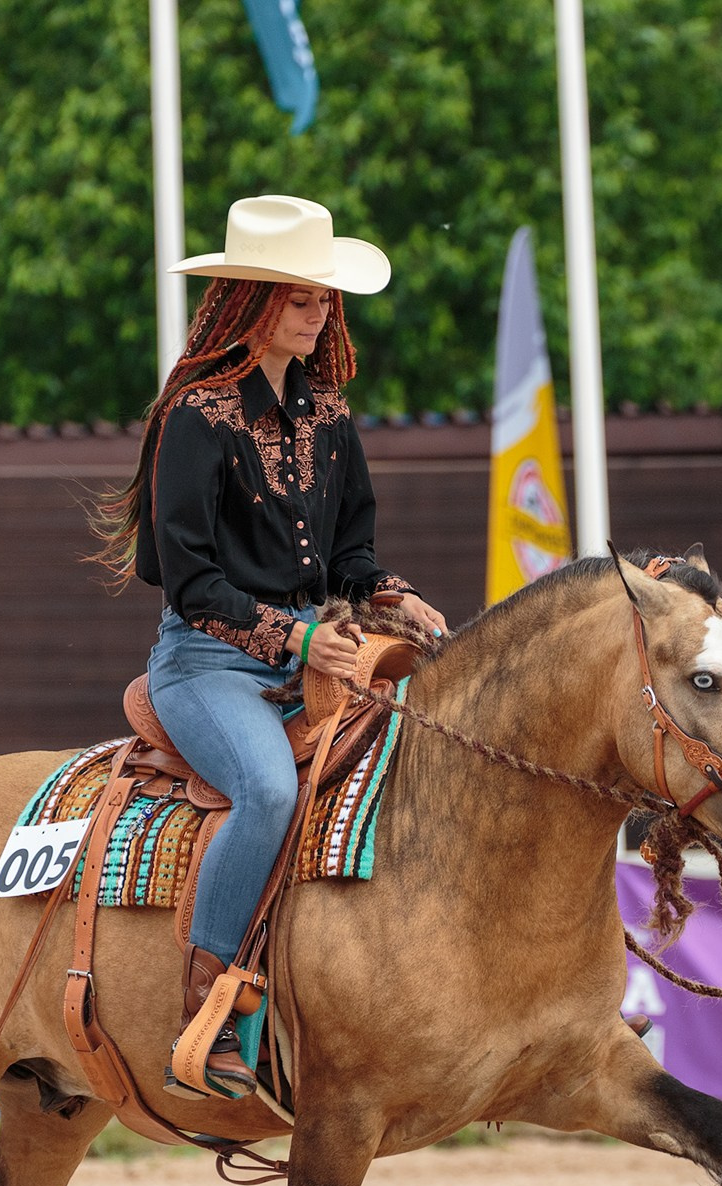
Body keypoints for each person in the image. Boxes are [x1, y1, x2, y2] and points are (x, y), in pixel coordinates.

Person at [97, 195, 449, 1097]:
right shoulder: (197, 418)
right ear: (252, 300)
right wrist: (297, 637)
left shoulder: (330, 419)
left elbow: (353, 554)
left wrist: (394, 599)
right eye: (300, 297)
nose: (320, 311)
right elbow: (186, 579)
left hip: (311, 659)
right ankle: (208, 1004)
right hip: (206, 664)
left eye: (325, 298)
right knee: (265, 789)